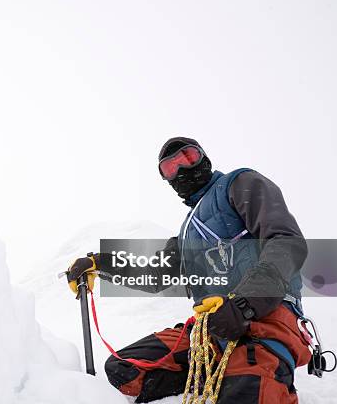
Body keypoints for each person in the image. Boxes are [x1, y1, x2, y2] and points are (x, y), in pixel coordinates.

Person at [66, 137, 312, 403]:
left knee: (246, 391)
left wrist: (244, 304)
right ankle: (213, 376)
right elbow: (157, 274)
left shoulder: (239, 184)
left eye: (188, 158)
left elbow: (285, 241)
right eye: (171, 168)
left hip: (264, 317)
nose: (182, 170)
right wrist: (101, 263)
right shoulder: (186, 233)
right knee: (125, 369)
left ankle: (248, 378)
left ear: (203, 157)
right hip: (210, 329)